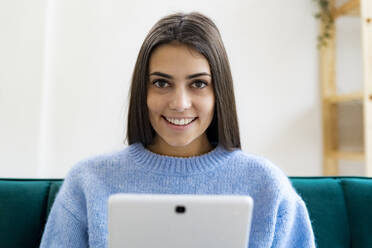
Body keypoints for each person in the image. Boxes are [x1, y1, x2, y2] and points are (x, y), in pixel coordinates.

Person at [40, 12, 316, 247]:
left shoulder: (268, 186)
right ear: (143, 92)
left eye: (198, 84)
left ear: (219, 93)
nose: (180, 103)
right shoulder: (88, 182)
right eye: (162, 83)